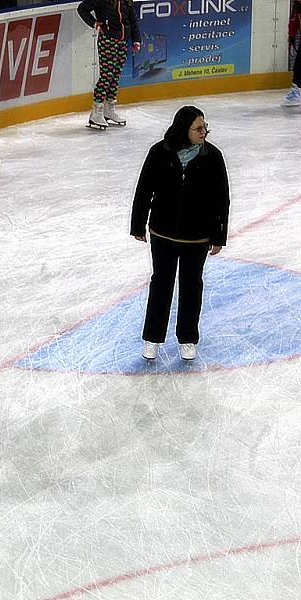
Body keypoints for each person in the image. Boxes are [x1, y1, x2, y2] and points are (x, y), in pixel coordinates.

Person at [130, 106, 230, 361]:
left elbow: (222, 199)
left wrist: (219, 235)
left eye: (205, 127)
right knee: (161, 284)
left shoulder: (212, 156)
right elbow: (144, 189)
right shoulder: (159, 152)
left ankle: (187, 337)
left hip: (197, 237)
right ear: (183, 129)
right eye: (198, 128)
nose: (204, 132)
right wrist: (138, 225)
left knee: (191, 286)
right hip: (162, 234)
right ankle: (152, 337)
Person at [77, 0, 141, 129]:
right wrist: (94, 23)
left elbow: (133, 20)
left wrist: (136, 40)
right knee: (107, 76)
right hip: (108, 40)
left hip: (122, 42)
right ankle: (97, 112)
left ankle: (109, 109)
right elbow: (82, 8)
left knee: (115, 76)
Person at [282, 0, 301, 106]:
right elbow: (293, 21)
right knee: (298, 66)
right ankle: (296, 92)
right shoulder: (297, 6)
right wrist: (292, 36)